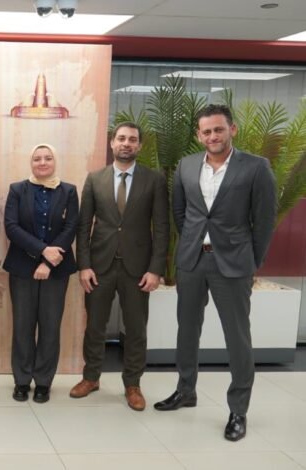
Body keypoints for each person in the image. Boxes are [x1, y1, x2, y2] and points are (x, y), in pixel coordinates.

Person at [154, 104, 277, 441]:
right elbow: (181, 212)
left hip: (234, 264)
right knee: (187, 330)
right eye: (206, 131)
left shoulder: (256, 167)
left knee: (237, 337)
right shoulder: (186, 165)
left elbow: (264, 220)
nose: (213, 136)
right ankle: (186, 390)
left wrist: (252, 261)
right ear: (199, 135)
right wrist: (193, 243)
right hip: (192, 261)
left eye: (218, 129)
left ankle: (238, 410)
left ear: (232, 129)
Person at [71, 122, 169, 411]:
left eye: (132, 140)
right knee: (95, 327)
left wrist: (156, 269)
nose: (126, 143)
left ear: (139, 145)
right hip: (99, 266)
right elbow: (83, 226)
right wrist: (84, 265)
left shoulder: (154, 180)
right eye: (122, 138)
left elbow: (162, 228)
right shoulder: (95, 179)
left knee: (136, 329)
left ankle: (133, 384)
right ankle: (91, 378)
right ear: (112, 143)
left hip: (138, 269)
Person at [2, 144, 79, 403]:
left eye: (48, 158)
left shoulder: (69, 191)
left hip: (56, 270)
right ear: (31, 162)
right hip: (22, 268)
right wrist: (43, 251)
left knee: (50, 327)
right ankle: (22, 381)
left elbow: (71, 227)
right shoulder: (17, 190)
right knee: (22, 326)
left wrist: (48, 262)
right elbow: (11, 227)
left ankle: (44, 382)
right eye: (37, 158)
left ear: (55, 161)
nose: (42, 162)